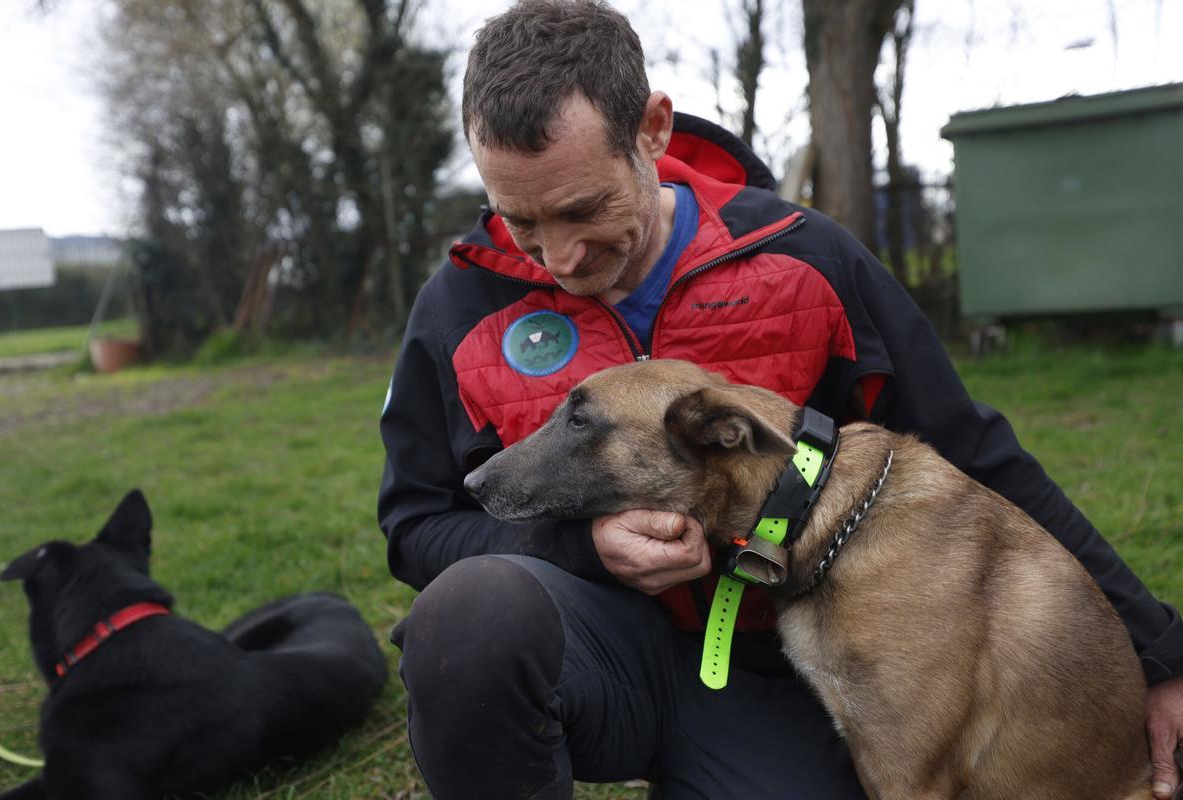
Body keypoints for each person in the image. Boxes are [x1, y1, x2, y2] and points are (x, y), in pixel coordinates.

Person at [378, 1, 1183, 797]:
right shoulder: (456, 307)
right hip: (594, 652)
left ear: (652, 129)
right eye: (520, 221)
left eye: (584, 209)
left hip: (777, 677)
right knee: (470, 620)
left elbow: (975, 457)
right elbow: (415, 524)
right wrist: (585, 552)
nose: (558, 256)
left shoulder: (805, 258)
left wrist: (1159, 657)